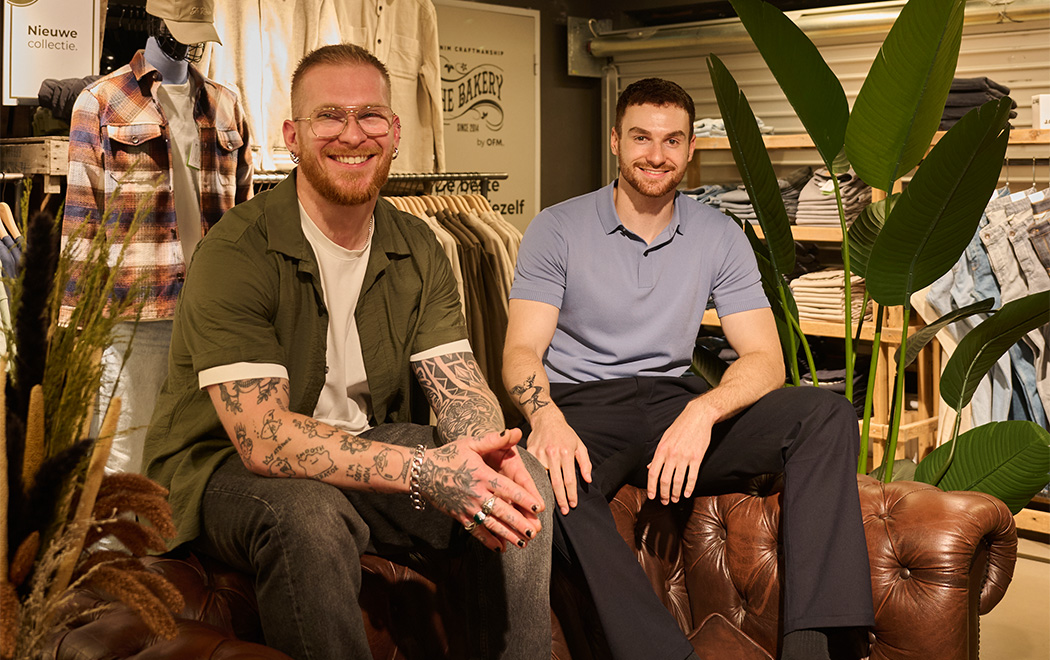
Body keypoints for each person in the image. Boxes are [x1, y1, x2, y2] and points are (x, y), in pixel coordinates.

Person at [144, 44, 552, 660]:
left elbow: (459, 387)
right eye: (329, 115)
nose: (351, 134)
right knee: (308, 515)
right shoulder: (237, 251)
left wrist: (481, 456)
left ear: (393, 133)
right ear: (294, 134)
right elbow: (264, 439)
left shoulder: (420, 245)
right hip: (222, 467)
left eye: (371, 117)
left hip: (365, 447)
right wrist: (425, 472)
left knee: (523, 485)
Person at [503, 78, 874, 660]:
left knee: (826, 412)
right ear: (614, 142)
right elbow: (521, 351)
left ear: (690, 149)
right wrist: (545, 417)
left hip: (675, 401)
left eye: (672, 140)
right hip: (583, 404)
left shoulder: (719, 234)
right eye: (641, 138)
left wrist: (703, 410)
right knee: (545, 481)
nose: (656, 154)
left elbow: (765, 359)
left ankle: (815, 648)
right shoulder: (558, 227)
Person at [63, 0, 252, 476]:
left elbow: (246, 218)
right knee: (123, 453)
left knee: (198, 451)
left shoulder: (226, 104)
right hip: (138, 308)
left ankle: (174, 549)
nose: (189, 42)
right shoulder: (101, 102)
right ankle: (114, 552)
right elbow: (82, 216)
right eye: (179, 29)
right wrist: (75, 322)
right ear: (154, 20)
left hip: (211, 309)